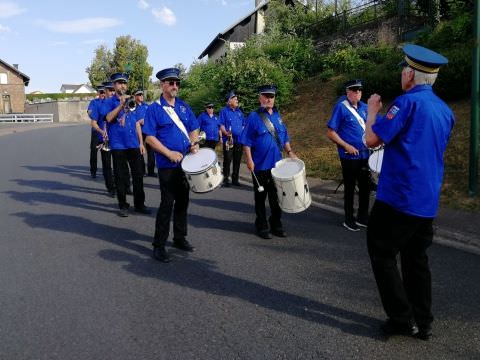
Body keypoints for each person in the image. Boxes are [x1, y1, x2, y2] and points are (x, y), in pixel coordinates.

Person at [364, 44, 454, 340]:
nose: (402, 73)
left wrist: (373, 111)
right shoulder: (445, 111)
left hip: (398, 196)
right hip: (426, 199)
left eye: (405, 69)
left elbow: (372, 140)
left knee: (381, 252)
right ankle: (423, 321)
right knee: (416, 259)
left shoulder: (406, 103)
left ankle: (401, 318)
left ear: (411, 76)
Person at [143, 68, 200, 263]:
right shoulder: (154, 109)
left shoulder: (184, 106)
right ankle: (159, 245)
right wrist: (168, 153)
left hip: (186, 164)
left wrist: (194, 143)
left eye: (177, 83)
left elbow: (194, 128)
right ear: (162, 85)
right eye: (170, 83)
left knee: (183, 202)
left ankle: (179, 237)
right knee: (167, 204)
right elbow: (149, 137)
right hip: (167, 165)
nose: (175, 86)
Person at [241, 85, 296, 239]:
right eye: (265, 96)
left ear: (274, 98)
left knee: (276, 197)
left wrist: (290, 152)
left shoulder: (278, 116)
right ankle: (261, 225)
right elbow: (246, 141)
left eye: (271, 96)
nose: (268, 99)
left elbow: (284, 137)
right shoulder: (253, 116)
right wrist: (249, 160)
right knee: (260, 197)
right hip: (259, 165)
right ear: (260, 98)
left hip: (277, 166)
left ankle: (276, 224)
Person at [103, 72, 150, 217]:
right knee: (120, 176)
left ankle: (139, 204)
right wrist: (121, 106)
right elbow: (108, 118)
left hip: (133, 144)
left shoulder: (132, 101)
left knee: (138, 176)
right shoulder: (109, 102)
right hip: (118, 145)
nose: (122, 85)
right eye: (119, 83)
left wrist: (141, 143)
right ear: (114, 85)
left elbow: (136, 123)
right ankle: (123, 205)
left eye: (124, 83)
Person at [327, 79, 371, 232]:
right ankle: (348, 218)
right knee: (350, 188)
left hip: (366, 155)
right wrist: (346, 145)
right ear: (347, 92)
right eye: (354, 90)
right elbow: (331, 132)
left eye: (359, 90)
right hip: (349, 156)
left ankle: (362, 217)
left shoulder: (365, 107)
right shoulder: (341, 108)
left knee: (366, 187)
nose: (357, 92)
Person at [89, 84, 115, 197]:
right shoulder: (95, 103)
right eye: (103, 92)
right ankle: (94, 171)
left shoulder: (116, 103)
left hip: (114, 137)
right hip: (99, 135)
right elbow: (90, 115)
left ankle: (124, 186)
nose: (104, 94)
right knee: (97, 155)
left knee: (119, 163)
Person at [219, 91, 245, 187]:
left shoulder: (239, 112)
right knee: (227, 159)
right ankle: (226, 179)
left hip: (239, 140)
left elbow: (243, 124)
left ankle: (235, 179)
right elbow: (221, 124)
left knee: (237, 160)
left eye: (237, 99)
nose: (237, 100)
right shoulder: (224, 111)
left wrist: (242, 132)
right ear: (229, 101)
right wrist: (225, 133)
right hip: (229, 140)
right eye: (235, 99)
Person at [134, 89, 156, 177]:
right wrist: (139, 121)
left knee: (151, 152)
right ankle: (142, 171)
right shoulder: (132, 107)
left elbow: (151, 117)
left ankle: (151, 171)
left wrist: (146, 120)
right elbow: (132, 119)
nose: (141, 96)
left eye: (142, 95)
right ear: (135, 96)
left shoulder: (146, 106)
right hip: (138, 131)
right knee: (140, 151)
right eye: (139, 95)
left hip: (148, 131)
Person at [87, 86, 105, 178]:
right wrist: (95, 116)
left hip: (106, 132)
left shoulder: (108, 102)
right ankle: (93, 171)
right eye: (101, 92)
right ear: (98, 93)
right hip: (96, 131)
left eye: (104, 92)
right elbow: (89, 112)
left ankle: (106, 171)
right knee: (94, 152)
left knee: (105, 153)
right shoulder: (94, 102)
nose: (102, 94)